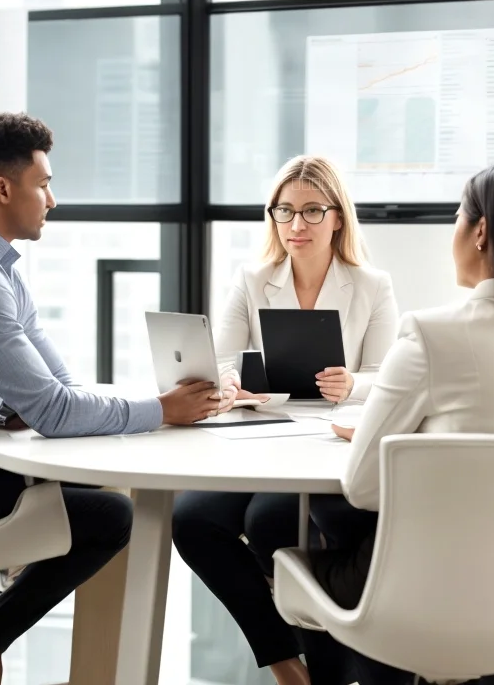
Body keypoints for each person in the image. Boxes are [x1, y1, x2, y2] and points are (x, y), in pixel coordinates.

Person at [306, 158, 494, 685]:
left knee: (293, 527)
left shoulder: (429, 335)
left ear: (481, 231)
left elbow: (362, 487)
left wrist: (408, 449)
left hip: (429, 596)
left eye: (455, 217)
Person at [0, 113, 228, 684]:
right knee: (107, 513)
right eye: (44, 183)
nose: (52, 199)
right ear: (3, 189)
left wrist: (28, 405)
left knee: (101, 497)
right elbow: (55, 411)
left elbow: (59, 387)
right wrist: (162, 409)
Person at [172, 155, 399, 685]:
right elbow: (221, 360)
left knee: (269, 522)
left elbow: (387, 376)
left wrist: (352, 384)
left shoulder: (372, 286)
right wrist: (232, 385)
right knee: (193, 520)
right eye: (285, 211)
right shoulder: (252, 279)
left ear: (338, 218)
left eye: (313, 211)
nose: (297, 225)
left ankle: (330, 670)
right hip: (262, 437)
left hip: (331, 440)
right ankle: (282, 661)